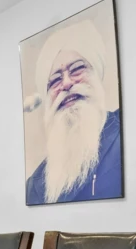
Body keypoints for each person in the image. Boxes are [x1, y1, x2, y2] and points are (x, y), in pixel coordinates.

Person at [25, 19, 122, 205]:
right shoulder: (34, 186)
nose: (67, 83)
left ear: (96, 74)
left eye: (77, 69)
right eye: (55, 81)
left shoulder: (125, 132)